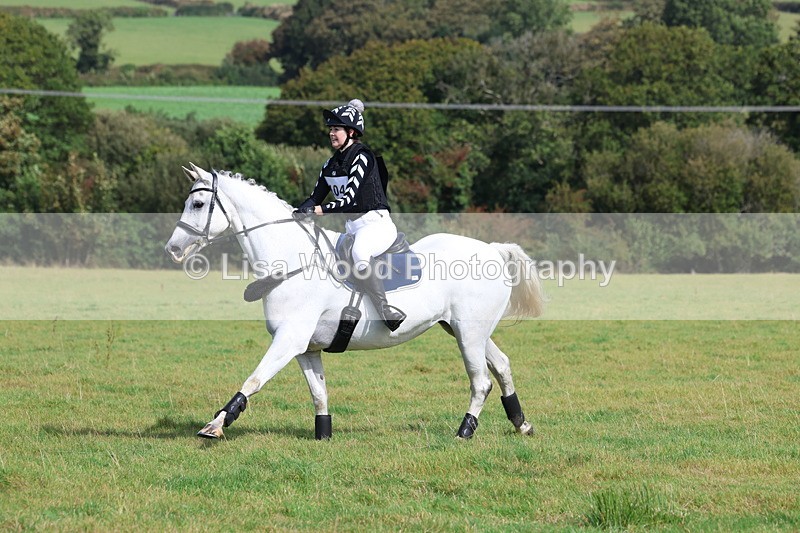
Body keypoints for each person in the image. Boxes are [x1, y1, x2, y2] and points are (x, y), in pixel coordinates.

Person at [295, 99, 406, 331]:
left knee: (359, 252)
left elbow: (349, 200)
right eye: (330, 129)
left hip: (376, 224)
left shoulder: (362, 157)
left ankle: (386, 310)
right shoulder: (330, 165)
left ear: (351, 132)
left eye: (336, 129)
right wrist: (296, 213)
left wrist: (318, 211)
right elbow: (314, 197)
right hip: (352, 228)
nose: (331, 134)